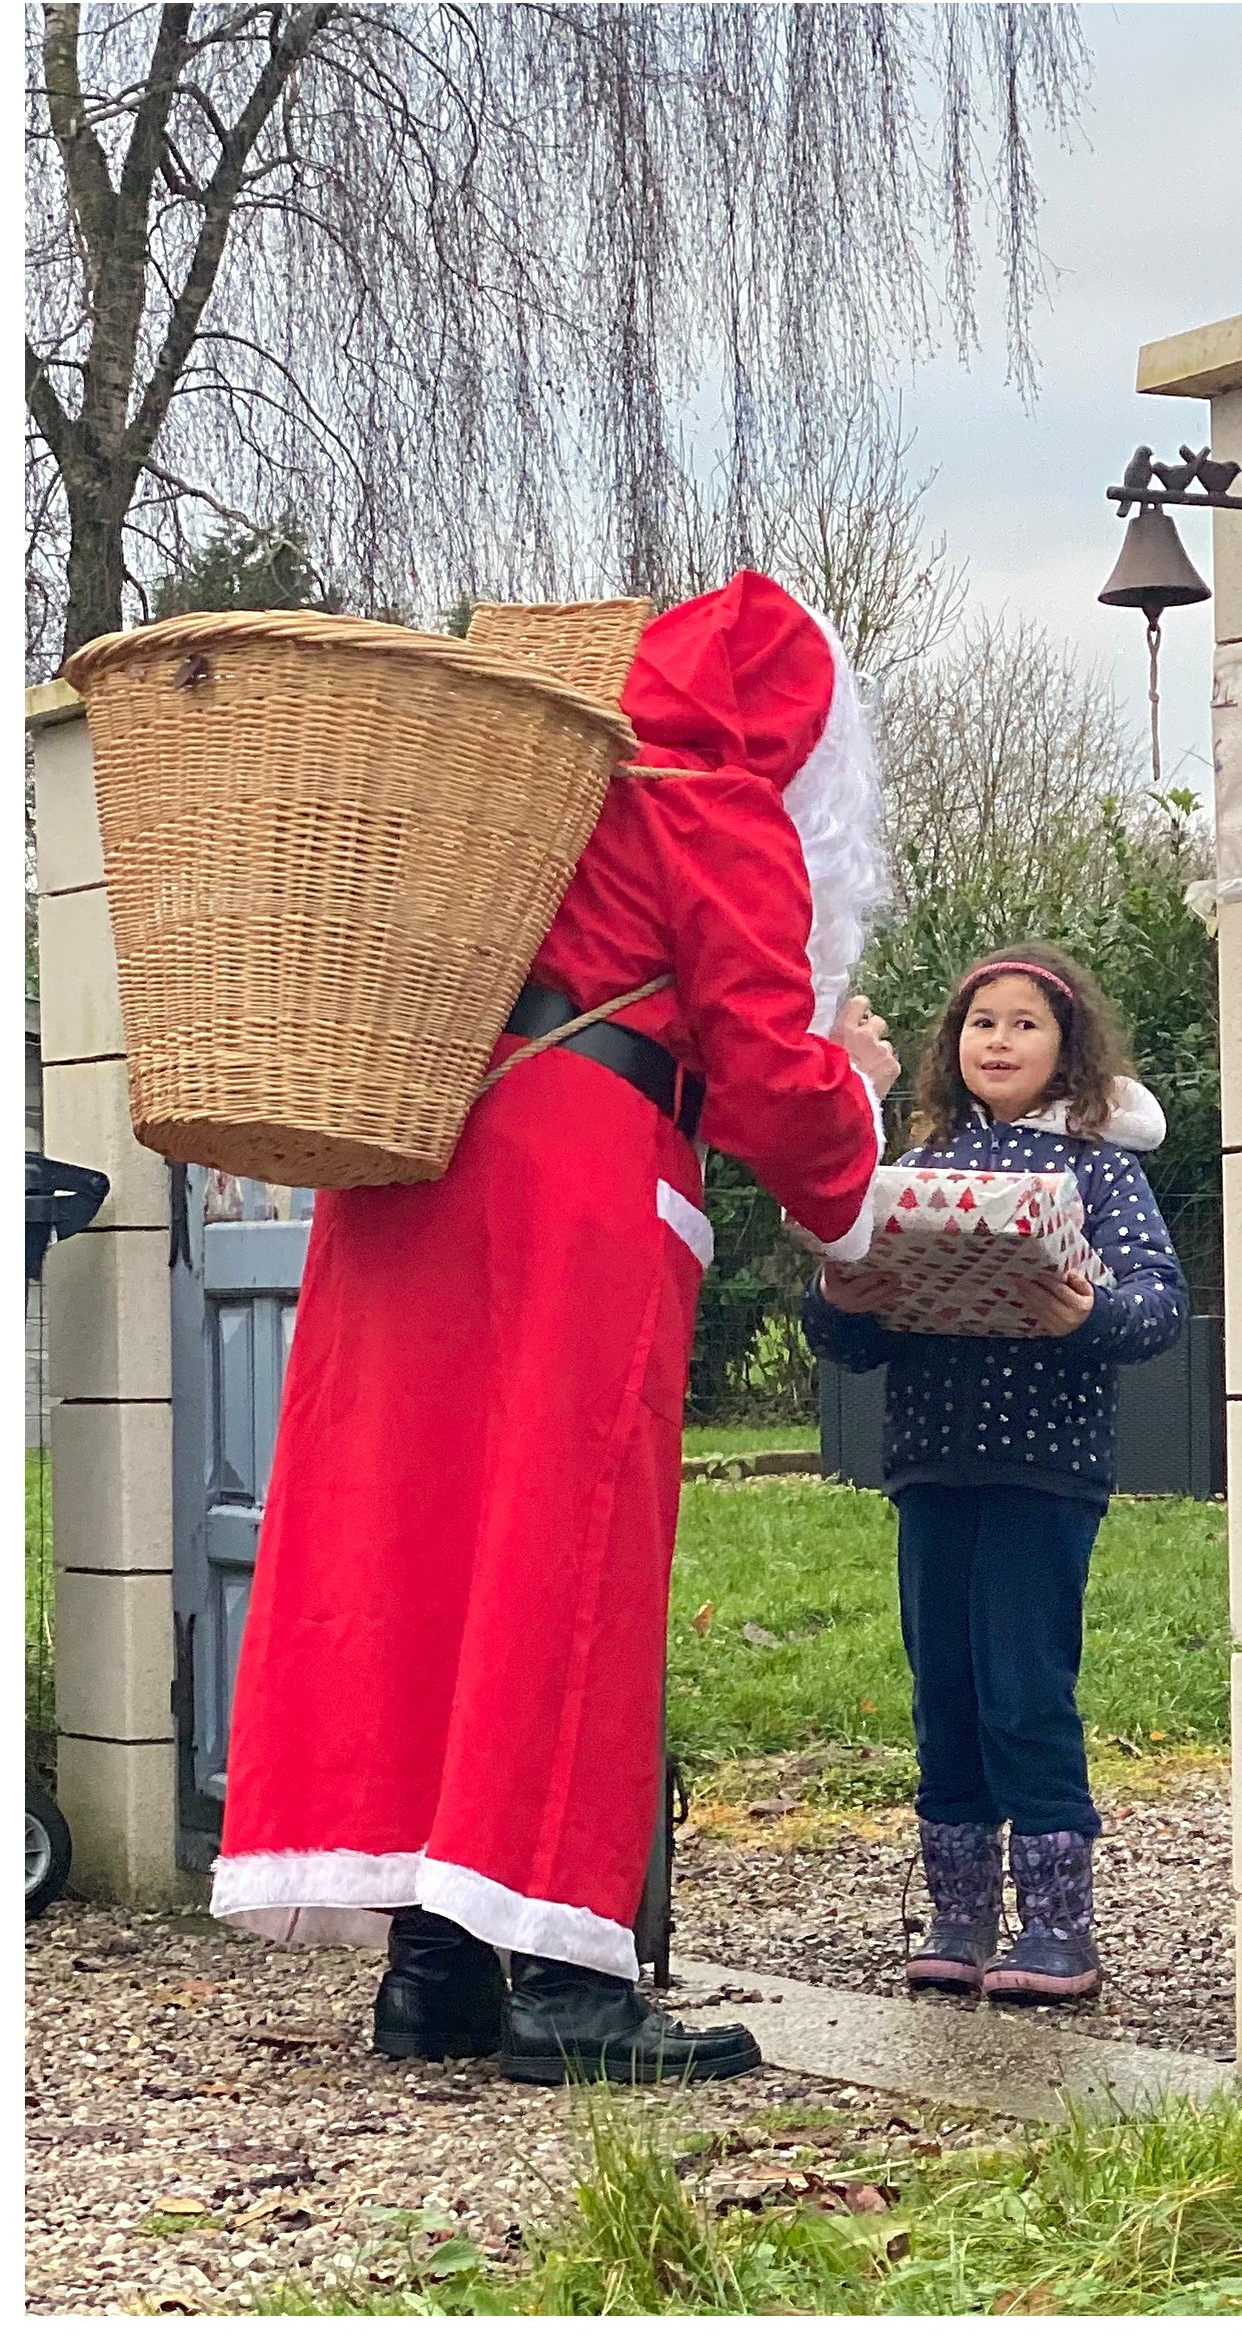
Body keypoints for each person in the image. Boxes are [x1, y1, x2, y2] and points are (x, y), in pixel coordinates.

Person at [211, 570, 903, 2083]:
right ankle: (565, 1983)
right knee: (562, 1552)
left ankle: (433, 1963)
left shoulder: (514, 781)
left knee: (415, 1544)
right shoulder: (697, 799)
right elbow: (768, 1065)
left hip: (409, 1173)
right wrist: (854, 1159)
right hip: (572, 1181)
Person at [803, 944, 1186, 2006]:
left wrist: (1087, 1311)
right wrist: (848, 1290)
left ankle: (1059, 1923)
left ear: (1069, 1049)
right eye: (982, 1023)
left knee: (1024, 1687)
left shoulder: (1099, 1169)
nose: (1000, 1041)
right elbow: (843, 1339)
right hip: (931, 1465)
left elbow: (1156, 1303)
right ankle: (960, 1913)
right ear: (952, 1045)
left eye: (1025, 1023)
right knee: (947, 1689)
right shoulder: (918, 1166)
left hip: (1044, 1469)